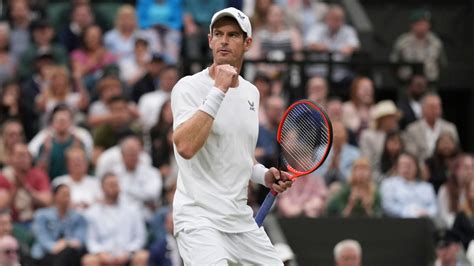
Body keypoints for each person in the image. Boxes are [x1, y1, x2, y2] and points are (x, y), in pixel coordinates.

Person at [171, 7, 292, 265]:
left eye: (233, 35)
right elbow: (185, 146)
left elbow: (240, 157)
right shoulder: (188, 87)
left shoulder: (251, 93)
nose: (224, 40)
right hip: (198, 219)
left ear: (247, 43)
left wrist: (265, 176)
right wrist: (219, 89)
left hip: (239, 220)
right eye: (218, 34)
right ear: (210, 40)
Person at [82, 173, 149, 266]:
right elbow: (91, 240)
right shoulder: (93, 212)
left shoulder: (132, 209)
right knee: (89, 260)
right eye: (110, 185)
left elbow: (140, 237)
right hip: (103, 255)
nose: (114, 188)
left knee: (142, 256)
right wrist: (100, 253)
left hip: (127, 255)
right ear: (102, 188)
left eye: (116, 184)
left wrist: (128, 252)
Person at [31, 184, 87, 266]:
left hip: (69, 253)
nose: (67, 198)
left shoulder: (78, 217)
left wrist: (65, 242)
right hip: (45, 253)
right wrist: (55, 247)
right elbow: (42, 238)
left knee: (69, 253)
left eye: (68, 195)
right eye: (64, 194)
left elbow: (79, 240)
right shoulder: (42, 215)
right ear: (55, 196)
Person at [391, 9, 446, 83]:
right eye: (420, 23)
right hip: (406, 83)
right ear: (413, 25)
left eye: (426, 23)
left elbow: (442, 63)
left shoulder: (435, 42)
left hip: (430, 82)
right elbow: (394, 63)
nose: (423, 26)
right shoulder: (402, 41)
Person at [403, 93, 459, 161]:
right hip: (420, 167)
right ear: (423, 108)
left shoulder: (450, 128)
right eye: (431, 107)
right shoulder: (412, 129)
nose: (435, 110)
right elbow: (411, 153)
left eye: (437, 107)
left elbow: (456, 151)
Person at [380, 153, 437, 218]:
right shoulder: (388, 184)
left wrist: (427, 213)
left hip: (423, 221)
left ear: (416, 167)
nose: (406, 168)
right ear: (397, 167)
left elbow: (433, 207)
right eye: (403, 165)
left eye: (409, 165)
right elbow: (387, 206)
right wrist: (409, 213)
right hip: (398, 222)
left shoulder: (427, 187)